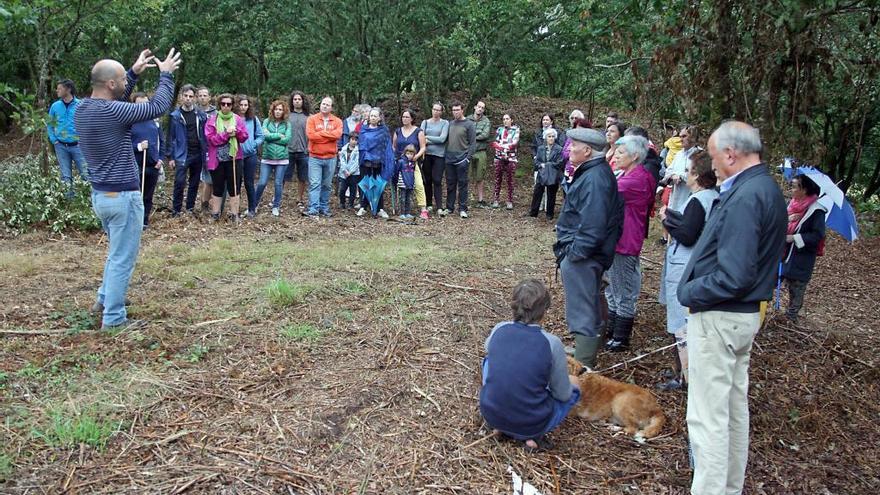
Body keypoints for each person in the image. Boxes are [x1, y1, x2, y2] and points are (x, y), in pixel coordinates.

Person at [677, 121, 786, 495]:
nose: (712, 165)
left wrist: (690, 290)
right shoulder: (762, 188)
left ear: (730, 154)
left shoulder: (747, 196)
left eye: (712, 156)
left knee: (707, 418)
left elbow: (735, 274)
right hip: (739, 316)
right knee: (732, 411)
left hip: (722, 316)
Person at [75, 48, 181, 331]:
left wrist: (132, 73)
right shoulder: (113, 111)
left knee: (115, 252)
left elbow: (118, 98)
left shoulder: (83, 108)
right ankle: (114, 319)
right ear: (111, 84)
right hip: (122, 197)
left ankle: (103, 300)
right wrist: (166, 75)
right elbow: (156, 107)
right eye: (122, 79)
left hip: (101, 196)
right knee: (123, 258)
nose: (125, 83)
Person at [479, 279, 581, 452]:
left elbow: (488, 347)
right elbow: (562, 395)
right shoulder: (552, 343)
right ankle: (531, 437)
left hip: (491, 414)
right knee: (574, 385)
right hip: (531, 423)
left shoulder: (500, 328)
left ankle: (501, 426)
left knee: (488, 361)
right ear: (544, 312)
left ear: (513, 306)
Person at [553, 128, 623, 368]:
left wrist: (574, 255)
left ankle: (583, 366)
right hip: (587, 255)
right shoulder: (594, 173)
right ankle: (586, 349)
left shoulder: (595, 179)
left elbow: (593, 225)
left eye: (574, 145)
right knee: (588, 304)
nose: (569, 148)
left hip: (584, 257)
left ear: (587, 151)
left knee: (582, 310)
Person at [656, 150, 718, 391]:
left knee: (681, 322)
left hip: (684, 265)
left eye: (689, 171)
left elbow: (689, 234)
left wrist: (666, 221)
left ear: (697, 175)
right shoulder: (713, 197)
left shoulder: (699, 199)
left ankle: (686, 378)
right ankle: (681, 372)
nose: (685, 175)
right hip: (694, 264)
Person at [602, 136, 657, 352]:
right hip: (618, 238)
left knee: (623, 287)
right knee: (614, 284)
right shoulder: (626, 173)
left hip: (626, 240)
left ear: (635, 156)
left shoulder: (636, 180)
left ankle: (621, 337)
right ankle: (612, 329)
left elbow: (606, 190)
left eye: (621, 152)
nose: (616, 155)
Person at [781, 174, 827, 324]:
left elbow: (817, 236)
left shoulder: (816, 211)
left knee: (796, 291)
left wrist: (795, 238)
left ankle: (790, 322)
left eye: (795, 187)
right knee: (771, 282)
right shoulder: (792, 205)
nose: (791, 190)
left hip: (801, 258)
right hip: (783, 254)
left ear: (805, 190)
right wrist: (787, 219)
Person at [204, 93, 249, 223]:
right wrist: (226, 134)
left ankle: (235, 214)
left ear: (232, 105)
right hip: (217, 159)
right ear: (219, 105)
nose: (226, 106)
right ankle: (215, 214)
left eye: (228, 104)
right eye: (223, 104)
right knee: (217, 187)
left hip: (234, 159)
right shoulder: (212, 119)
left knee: (234, 187)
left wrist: (237, 132)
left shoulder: (237, 119)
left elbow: (244, 137)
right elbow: (211, 140)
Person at [166, 84, 207, 217]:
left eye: (191, 96)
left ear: (194, 98)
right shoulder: (175, 116)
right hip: (182, 154)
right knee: (179, 182)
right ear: (181, 97)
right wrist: (171, 157)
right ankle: (176, 210)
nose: (188, 99)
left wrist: (205, 152)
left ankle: (189, 208)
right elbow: (170, 137)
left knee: (194, 182)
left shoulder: (200, 114)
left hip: (198, 153)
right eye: (186, 96)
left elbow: (205, 134)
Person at [47, 78, 89, 197]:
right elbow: (49, 124)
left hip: (78, 146)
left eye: (59, 88)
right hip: (61, 146)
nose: (57, 91)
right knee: (65, 175)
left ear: (68, 89)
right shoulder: (55, 106)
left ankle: (87, 200)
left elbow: (87, 124)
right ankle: (69, 201)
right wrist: (54, 140)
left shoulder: (80, 105)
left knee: (85, 173)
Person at [304, 96, 343, 217]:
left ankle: (324, 208)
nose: (324, 106)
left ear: (331, 107)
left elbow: (337, 135)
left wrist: (320, 134)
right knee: (315, 183)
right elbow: (311, 136)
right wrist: (328, 137)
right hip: (315, 157)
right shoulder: (312, 119)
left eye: (327, 104)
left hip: (331, 157)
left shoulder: (337, 121)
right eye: (323, 104)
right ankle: (313, 209)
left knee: (327, 184)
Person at [130, 92, 164, 228]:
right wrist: (138, 146)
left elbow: (162, 141)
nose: (143, 107)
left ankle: (144, 221)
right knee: (135, 195)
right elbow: (123, 144)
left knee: (148, 196)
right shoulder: (129, 122)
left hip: (152, 165)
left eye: (146, 104)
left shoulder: (154, 121)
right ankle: (134, 221)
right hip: (135, 164)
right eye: (140, 104)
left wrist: (161, 159)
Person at [356, 107, 394, 218]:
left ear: (379, 118)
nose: (372, 117)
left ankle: (379, 208)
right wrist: (366, 156)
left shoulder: (384, 130)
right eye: (371, 115)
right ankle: (363, 207)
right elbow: (362, 145)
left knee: (378, 185)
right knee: (366, 184)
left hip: (378, 162)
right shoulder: (363, 129)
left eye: (375, 116)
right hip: (366, 161)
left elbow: (386, 146)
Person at [255, 100, 291, 217]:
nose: (278, 111)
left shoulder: (287, 124)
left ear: (283, 111)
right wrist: (278, 136)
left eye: (280, 109)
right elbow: (264, 135)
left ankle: (276, 206)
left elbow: (287, 139)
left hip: (282, 159)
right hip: (267, 157)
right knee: (262, 182)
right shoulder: (266, 121)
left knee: (278, 183)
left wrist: (272, 138)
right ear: (272, 110)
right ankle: (254, 205)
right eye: (276, 109)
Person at [441, 102, 476, 218]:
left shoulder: (469, 124)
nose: (455, 112)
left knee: (462, 185)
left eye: (457, 110)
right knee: (450, 184)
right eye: (453, 110)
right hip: (449, 159)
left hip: (462, 159)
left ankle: (462, 208)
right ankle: (450, 208)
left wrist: (467, 158)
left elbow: (472, 143)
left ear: (462, 110)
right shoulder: (450, 124)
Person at [393, 109, 429, 219]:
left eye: (407, 117)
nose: (404, 119)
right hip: (400, 163)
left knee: (418, 184)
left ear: (412, 119)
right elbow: (394, 146)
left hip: (413, 163)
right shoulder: (398, 131)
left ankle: (423, 209)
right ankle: (401, 209)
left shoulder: (418, 131)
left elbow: (423, 147)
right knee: (400, 185)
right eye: (403, 117)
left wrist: (416, 157)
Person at [235, 95, 264, 218]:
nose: (243, 107)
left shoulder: (253, 119)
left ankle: (252, 209)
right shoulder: (233, 118)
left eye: (245, 105)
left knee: (249, 182)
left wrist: (254, 144)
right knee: (236, 182)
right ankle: (235, 209)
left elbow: (261, 136)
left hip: (250, 155)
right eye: (241, 105)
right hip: (236, 155)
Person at [663, 124, 700, 213]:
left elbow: (698, 177)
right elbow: (668, 171)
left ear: (693, 137)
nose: (680, 139)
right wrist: (672, 176)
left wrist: (680, 176)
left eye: (684, 136)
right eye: (680, 136)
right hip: (675, 199)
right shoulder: (679, 154)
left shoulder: (700, 155)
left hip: (690, 200)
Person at [529, 128, 564, 219]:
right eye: (549, 136)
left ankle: (549, 214)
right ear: (545, 138)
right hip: (542, 173)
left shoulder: (559, 149)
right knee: (537, 191)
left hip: (553, 174)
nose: (551, 138)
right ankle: (533, 212)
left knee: (551, 193)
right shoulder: (540, 149)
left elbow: (560, 162)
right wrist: (541, 165)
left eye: (553, 136)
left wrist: (548, 165)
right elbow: (536, 162)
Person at [421, 102, 448, 212]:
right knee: (427, 180)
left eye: (438, 110)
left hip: (439, 156)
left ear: (441, 112)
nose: (436, 112)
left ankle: (439, 206)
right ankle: (428, 204)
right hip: (426, 155)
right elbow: (421, 138)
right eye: (434, 109)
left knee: (437, 180)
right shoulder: (425, 122)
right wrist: (427, 139)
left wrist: (427, 138)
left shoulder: (445, 123)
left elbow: (442, 139)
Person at [285, 90, 311, 209]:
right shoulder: (286, 116)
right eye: (295, 99)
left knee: (302, 177)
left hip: (304, 151)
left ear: (303, 101)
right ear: (292, 101)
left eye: (299, 99)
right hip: (288, 151)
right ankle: (278, 198)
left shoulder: (309, 117)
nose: (297, 101)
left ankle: (299, 199)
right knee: (284, 176)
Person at [490, 114, 520, 210]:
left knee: (510, 180)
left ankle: (510, 200)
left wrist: (502, 147)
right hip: (499, 157)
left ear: (511, 120)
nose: (505, 121)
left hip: (511, 158)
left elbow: (514, 144)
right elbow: (495, 143)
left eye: (507, 119)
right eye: (503, 119)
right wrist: (502, 147)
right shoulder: (499, 130)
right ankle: (496, 199)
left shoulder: (516, 130)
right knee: (497, 179)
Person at [195, 86, 216, 211]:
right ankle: (204, 204)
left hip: (212, 148)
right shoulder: (194, 112)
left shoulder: (215, 113)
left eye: (205, 95)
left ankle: (211, 204)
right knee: (204, 179)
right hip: (197, 148)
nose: (203, 98)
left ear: (209, 97)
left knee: (211, 178)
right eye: (200, 95)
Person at [468, 100, 492, 206]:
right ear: (475, 107)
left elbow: (485, 135)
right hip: (468, 151)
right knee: (465, 176)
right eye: (479, 107)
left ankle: (480, 200)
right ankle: (465, 198)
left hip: (481, 151)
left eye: (482, 108)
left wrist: (472, 136)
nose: (480, 109)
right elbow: (464, 133)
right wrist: (476, 134)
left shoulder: (486, 121)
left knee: (480, 176)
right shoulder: (467, 119)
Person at [337, 131, 360, 210]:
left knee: (353, 189)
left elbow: (357, 163)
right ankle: (342, 203)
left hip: (354, 174)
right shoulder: (343, 149)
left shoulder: (358, 150)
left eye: (355, 140)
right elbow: (342, 161)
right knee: (342, 189)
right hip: (344, 173)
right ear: (349, 139)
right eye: (352, 139)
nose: (354, 141)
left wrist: (351, 172)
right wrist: (345, 170)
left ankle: (351, 204)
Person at [394, 144, 417, 219]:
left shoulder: (413, 163)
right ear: (405, 153)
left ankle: (407, 212)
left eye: (411, 154)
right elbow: (396, 171)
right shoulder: (401, 162)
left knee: (408, 199)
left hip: (410, 183)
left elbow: (413, 173)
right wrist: (395, 181)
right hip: (402, 183)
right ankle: (402, 213)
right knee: (402, 198)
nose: (409, 155)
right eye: (408, 153)